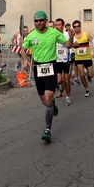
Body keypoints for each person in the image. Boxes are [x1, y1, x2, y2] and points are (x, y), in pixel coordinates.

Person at [21, 11, 74, 143]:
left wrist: (71, 38)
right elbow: (23, 49)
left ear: (46, 20)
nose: (38, 23)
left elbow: (67, 45)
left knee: (48, 98)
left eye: (41, 20)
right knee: (44, 101)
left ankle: (47, 129)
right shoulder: (31, 35)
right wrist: (25, 60)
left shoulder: (54, 32)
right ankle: (52, 104)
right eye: (36, 21)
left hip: (51, 67)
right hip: (38, 69)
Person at [72, 20, 94, 97]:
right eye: (75, 27)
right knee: (82, 75)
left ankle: (89, 75)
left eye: (78, 26)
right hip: (78, 58)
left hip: (87, 57)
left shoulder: (86, 34)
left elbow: (93, 41)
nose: (76, 28)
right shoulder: (72, 37)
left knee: (91, 75)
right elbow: (70, 45)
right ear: (73, 28)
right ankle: (87, 89)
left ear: (80, 26)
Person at [54, 18, 72, 106]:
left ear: (63, 26)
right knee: (59, 80)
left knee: (67, 80)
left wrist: (72, 44)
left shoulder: (67, 34)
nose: (57, 26)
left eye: (59, 25)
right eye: (56, 25)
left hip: (66, 60)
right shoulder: (53, 35)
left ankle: (68, 97)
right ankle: (60, 87)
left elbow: (75, 44)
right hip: (57, 60)